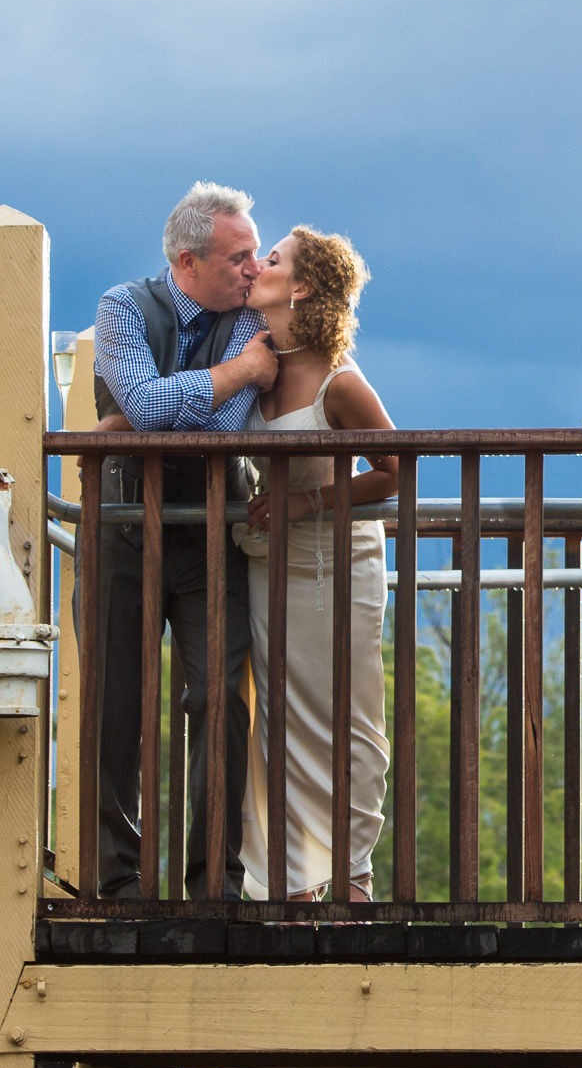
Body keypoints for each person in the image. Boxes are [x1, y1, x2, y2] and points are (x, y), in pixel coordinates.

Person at [86, 181, 283, 899]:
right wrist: (234, 376)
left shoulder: (244, 315)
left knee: (223, 698)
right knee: (115, 704)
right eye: (240, 257)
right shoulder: (121, 307)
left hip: (211, 531)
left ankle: (214, 886)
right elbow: (143, 406)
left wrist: (144, 421)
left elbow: (219, 433)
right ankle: (117, 885)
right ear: (187, 259)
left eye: (257, 255)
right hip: (121, 530)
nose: (255, 269)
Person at [230, 226, 399, 902]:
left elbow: (396, 470)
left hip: (338, 561)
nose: (256, 265)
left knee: (350, 715)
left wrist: (311, 500)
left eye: (270, 259)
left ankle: (352, 873)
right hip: (268, 565)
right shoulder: (256, 360)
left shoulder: (339, 380)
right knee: (278, 721)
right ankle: (292, 881)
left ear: (300, 286)